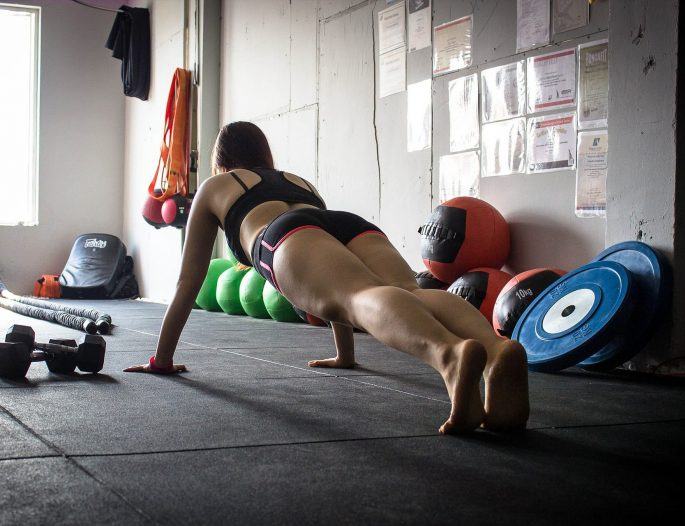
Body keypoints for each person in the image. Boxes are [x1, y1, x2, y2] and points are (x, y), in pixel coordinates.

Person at [125, 121, 530, 434]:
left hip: (282, 234)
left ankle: (450, 356)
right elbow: (333, 255)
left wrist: (161, 360)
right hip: (347, 222)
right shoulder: (297, 180)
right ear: (264, 153)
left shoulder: (216, 185)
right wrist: (345, 354)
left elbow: (187, 282)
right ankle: (495, 352)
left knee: (360, 297)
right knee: (406, 289)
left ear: (220, 159)